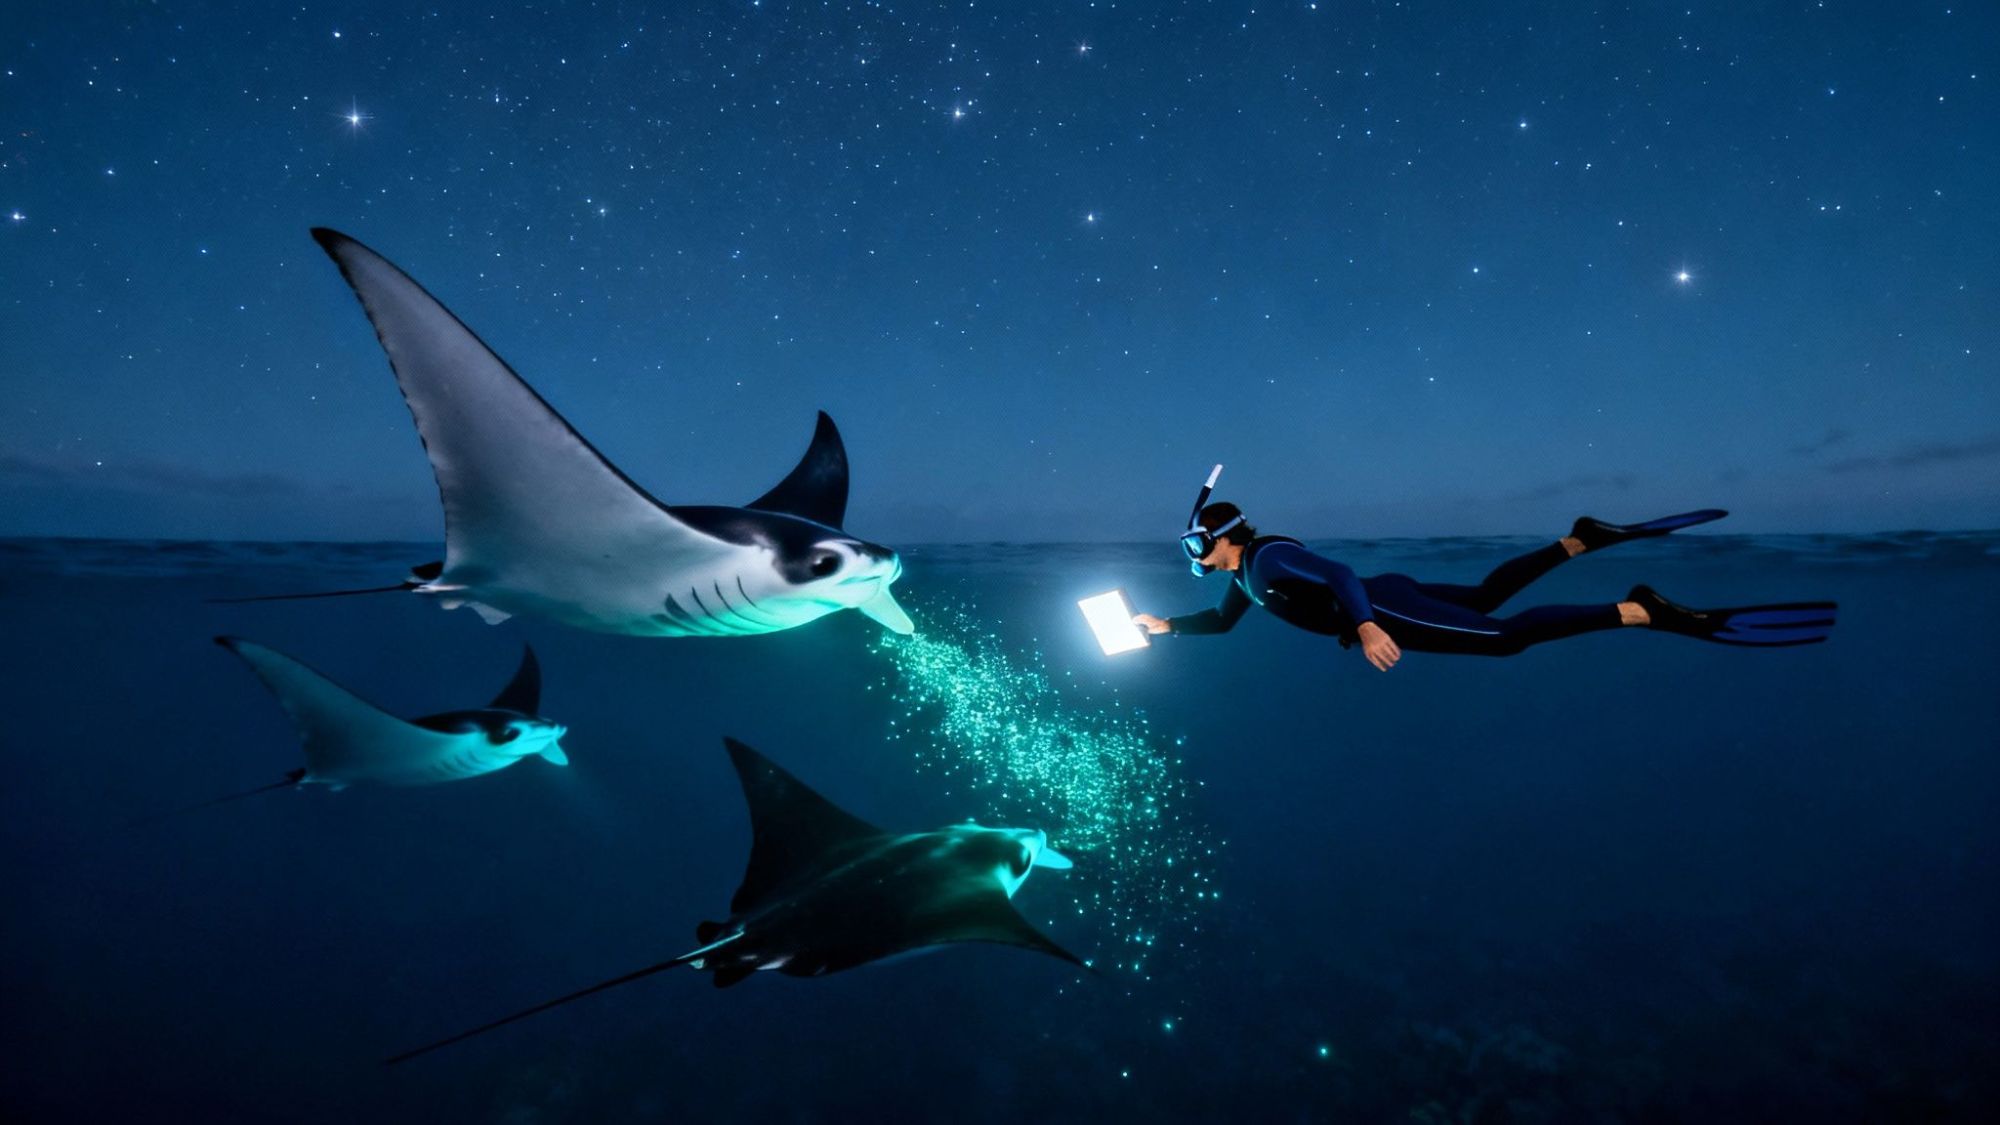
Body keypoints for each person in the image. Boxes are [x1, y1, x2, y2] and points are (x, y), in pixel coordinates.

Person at [1130, 468, 1836, 670]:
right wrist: (1166, 627)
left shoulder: (1268, 557)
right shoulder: (1244, 581)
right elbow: (1223, 624)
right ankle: (1579, 541)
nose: (1194, 558)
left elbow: (1339, 572)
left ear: (1221, 537)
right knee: (1486, 592)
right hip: (1393, 593)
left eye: (1196, 547)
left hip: (1381, 604)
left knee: (1504, 637)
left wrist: (1371, 627)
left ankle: (1640, 608)